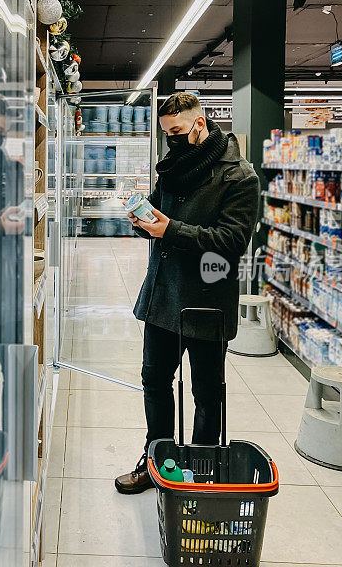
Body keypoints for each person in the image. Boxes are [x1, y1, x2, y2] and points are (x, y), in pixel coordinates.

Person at [114, 92, 261, 494]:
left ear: (199, 123)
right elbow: (161, 215)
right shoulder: (173, 167)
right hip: (163, 296)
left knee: (206, 391)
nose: (172, 140)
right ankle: (156, 459)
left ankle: (201, 467)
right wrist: (142, 219)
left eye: (177, 131)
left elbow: (232, 240)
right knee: (154, 381)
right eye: (166, 133)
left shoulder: (239, 176)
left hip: (207, 301)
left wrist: (170, 230)